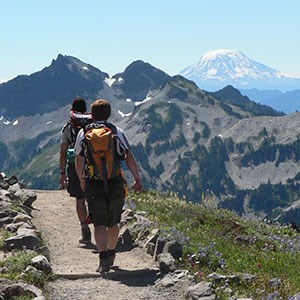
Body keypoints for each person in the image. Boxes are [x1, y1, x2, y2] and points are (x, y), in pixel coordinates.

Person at [74, 99, 143, 273]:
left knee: (98, 224)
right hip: (115, 182)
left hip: (94, 183)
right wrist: (137, 178)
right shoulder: (116, 131)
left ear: (92, 114)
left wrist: (82, 178)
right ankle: (112, 252)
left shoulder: (84, 133)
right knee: (113, 222)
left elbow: (78, 159)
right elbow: (128, 155)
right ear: (109, 113)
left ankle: (103, 258)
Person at [60, 97, 91, 244]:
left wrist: (62, 173)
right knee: (94, 197)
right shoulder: (93, 125)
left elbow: (63, 152)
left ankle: (85, 230)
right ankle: (100, 227)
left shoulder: (68, 128)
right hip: (93, 165)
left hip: (75, 167)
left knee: (80, 199)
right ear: (86, 110)